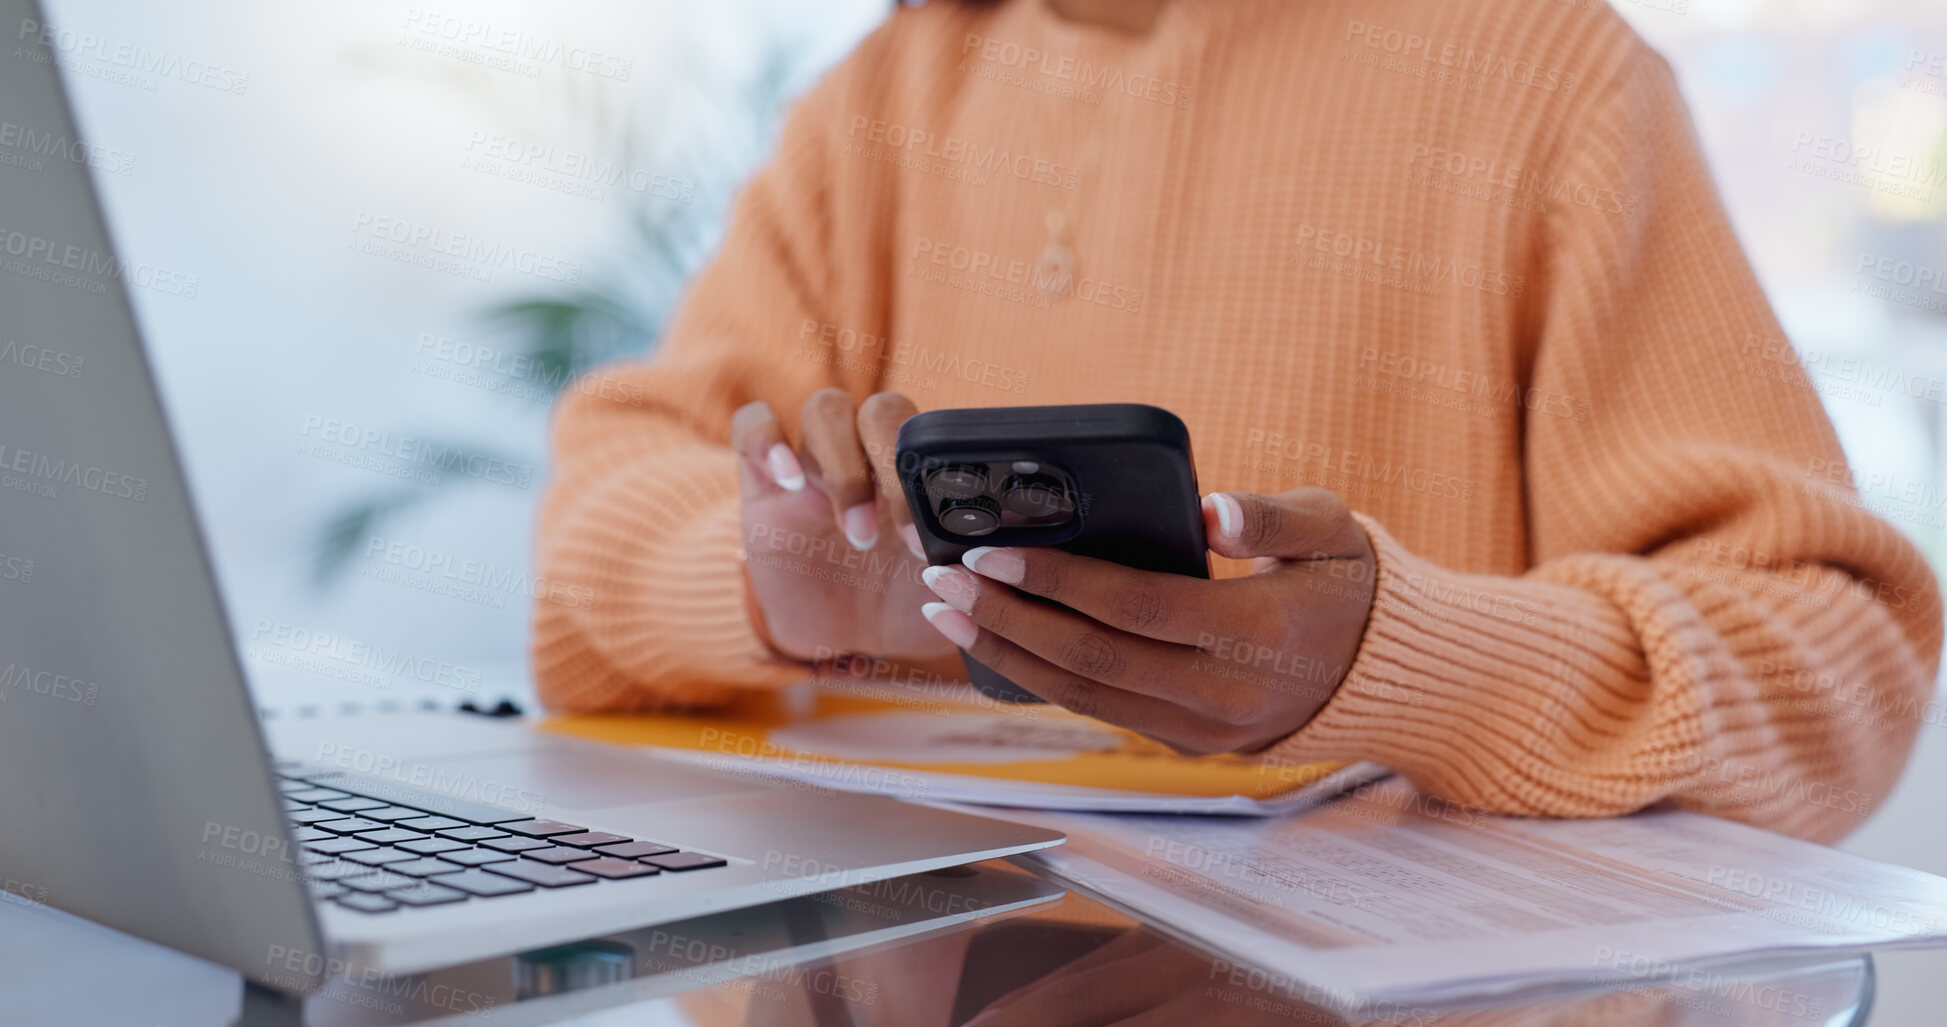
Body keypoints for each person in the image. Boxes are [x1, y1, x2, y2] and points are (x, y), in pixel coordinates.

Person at [532, 0, 1942, 843]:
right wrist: (782, 592)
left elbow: (1839, 658)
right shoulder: (875, 107)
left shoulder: (1544, 72)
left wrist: (1400, 667)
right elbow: (587, 552)